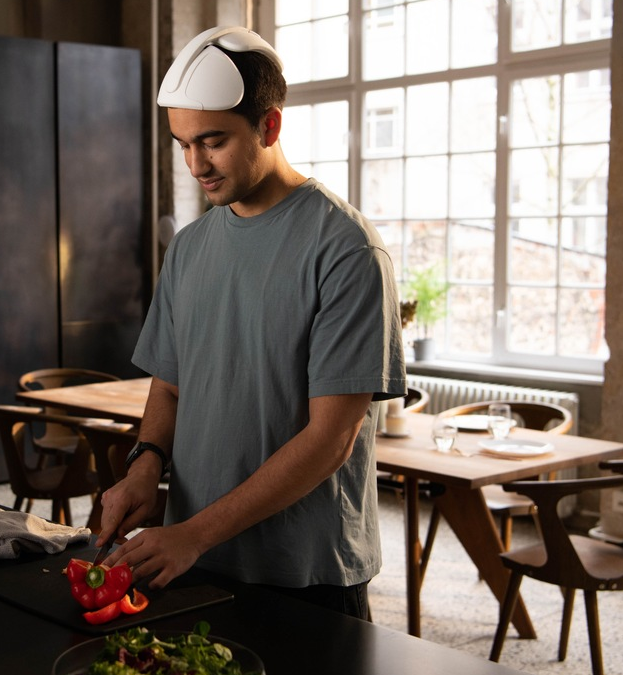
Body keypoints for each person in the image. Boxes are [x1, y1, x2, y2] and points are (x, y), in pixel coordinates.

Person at [96, 26, 406, 620]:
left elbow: (329, 442)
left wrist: (193, 534)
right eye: (182, 144)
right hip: (195, 558)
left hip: (305, 573)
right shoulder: (188, 248)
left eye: (212, 141)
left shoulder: (346, 250)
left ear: (269, 125)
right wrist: (146, 464)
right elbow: (170, 382)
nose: (195, 165)